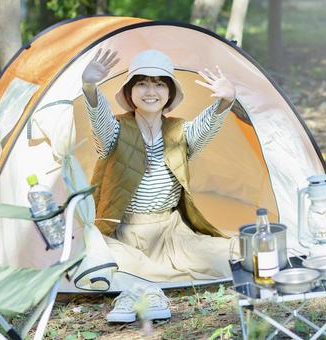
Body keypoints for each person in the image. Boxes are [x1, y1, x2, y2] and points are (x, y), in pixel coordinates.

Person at [81, 49, 237, 323]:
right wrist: (89, 87)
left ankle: (141, 285)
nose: (150, 90)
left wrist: (227, 100)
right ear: (130, 92)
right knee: (98, 261)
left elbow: (206, 127)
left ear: (169, 93)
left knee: (234, 257)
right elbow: (100, 122)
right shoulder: (116, 130)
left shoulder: (179, 131)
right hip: (123, 233)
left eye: (159, 83)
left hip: (172, 233)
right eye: (141, 83)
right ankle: (144, 289)